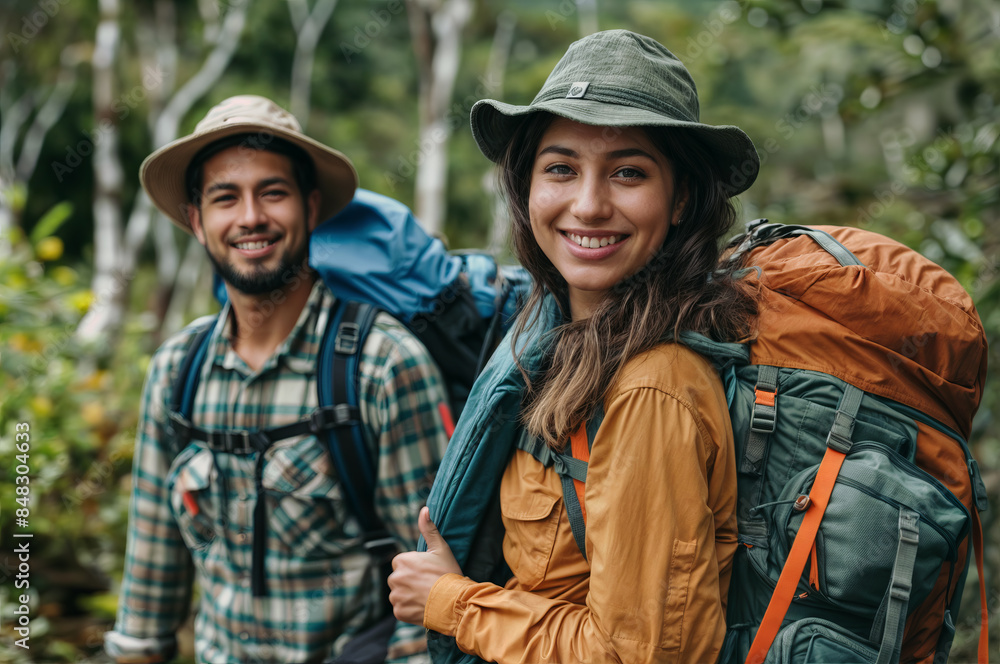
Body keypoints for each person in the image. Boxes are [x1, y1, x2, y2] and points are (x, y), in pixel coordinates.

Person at [388, 30, 760, 663]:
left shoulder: (652, 387)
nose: (588, 206)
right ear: (526, 187)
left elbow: (637, 655)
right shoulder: (556, 342)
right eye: (561, 168)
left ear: (681, 199)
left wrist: (454, 601)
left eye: (628, 173)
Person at [105, 95, 452, 664]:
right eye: (225, 197)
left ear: (310, 208)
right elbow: (150, 586)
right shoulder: (176, 371)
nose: (250, 217)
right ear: (196, 221)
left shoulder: (383, 365)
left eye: (272, 192)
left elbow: (434, 598)